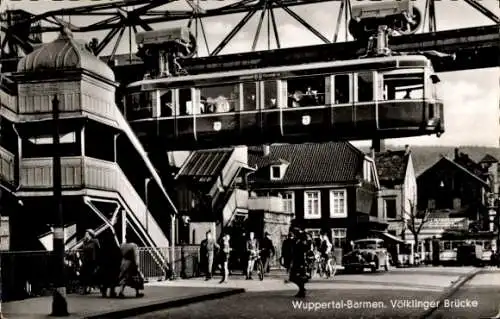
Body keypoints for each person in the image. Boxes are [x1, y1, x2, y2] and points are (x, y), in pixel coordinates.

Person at [289, 227, 314, 298]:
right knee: (297, 277)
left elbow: (304, 250)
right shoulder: (297, 240)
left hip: (300, 262)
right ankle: (302, 291)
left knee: (294, 277)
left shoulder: (301, 241)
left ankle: (302, 290)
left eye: (293, 233)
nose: (292, 234)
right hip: (297, 261)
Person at [97, 230, 122, 298]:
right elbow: (119, 255)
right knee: (113, 279)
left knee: (104, 279)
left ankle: (104, 292)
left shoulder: (103, 247)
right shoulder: (114, 246)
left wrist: (100, 264)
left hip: (105, 265)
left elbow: (99, 256)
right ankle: (112, 292)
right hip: (113, 265)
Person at [80, 229, 100, 294]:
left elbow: (99, 249)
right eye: (85, 234)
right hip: (85, 260)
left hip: (92, 260)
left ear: (90, 234)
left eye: (87, 234)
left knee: (90, 274)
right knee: (83, 273)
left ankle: (88, 288)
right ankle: (85, 288)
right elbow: (83, 251)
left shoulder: (95, 241)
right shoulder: (84, 241)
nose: (85, 235)